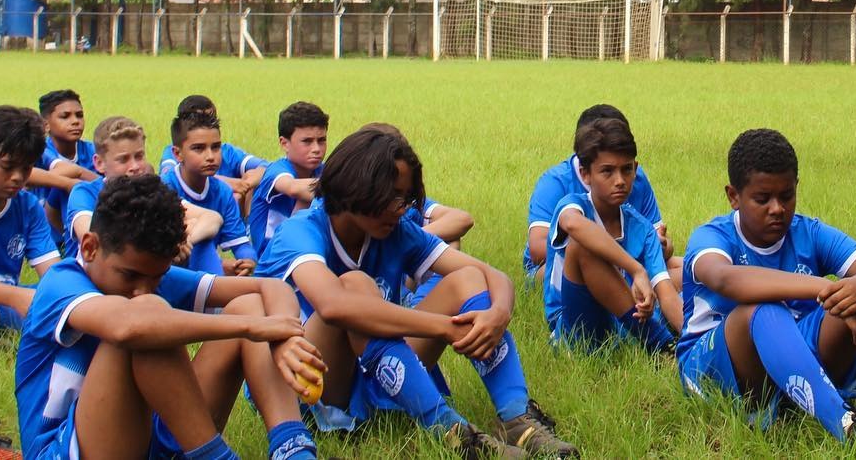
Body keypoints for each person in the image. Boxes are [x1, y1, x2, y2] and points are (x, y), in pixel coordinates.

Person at [256, 123, 577, 458]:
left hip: (377, 368)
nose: (403, 208)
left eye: (406, 198)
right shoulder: (301, 231)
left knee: (466, 279)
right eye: (393, 197)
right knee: (355, 286)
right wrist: (444, 327)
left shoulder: (396, 229)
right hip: (309, 388)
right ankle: (452, 432)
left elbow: (492, 275)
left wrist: (498, 313)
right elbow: (335, 306)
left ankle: (517, 418)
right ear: (356, 186)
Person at [14, 173, 326, 460]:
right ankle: (213, 455)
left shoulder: (148, 279)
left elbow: (268, 286)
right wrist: (253, 327)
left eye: (156, 277)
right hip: (65, 450)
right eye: (130, 275)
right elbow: (127, 326)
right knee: (149, 317)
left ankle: (292, 447)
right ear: (90, 247)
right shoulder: (60, 283)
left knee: (249, 304)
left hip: (148, 438)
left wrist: (284, 338)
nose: (142, 289)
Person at [678, 128, 856, 454]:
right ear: (733, 196)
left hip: (792, 356)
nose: (777, 208)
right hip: (720, 368)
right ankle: (850, 427)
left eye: (787, 195)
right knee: (763, 311)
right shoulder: (712, 237)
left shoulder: (809, 232)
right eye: (762, 199)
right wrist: (826, 286)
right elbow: (725, 279)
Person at [542, 116, 679, 351]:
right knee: (583, 245)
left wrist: (690, 341)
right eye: (607, 171)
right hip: (576, 326)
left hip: (623, 326)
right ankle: (660, 344)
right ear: (585, 174)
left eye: (626, 170)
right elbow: (574, 225)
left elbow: (665, 290)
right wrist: (636, 270)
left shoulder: (642, 227)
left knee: (689, 279)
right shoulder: (572, 206)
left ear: (636, 169)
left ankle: (675, 347)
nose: (620, 181)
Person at [524, 104, 676, 284]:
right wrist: (623, 254)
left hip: (629, 264)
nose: (620, 180)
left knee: (684, 268)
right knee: (587, 257)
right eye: (607, 170)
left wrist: (661, 245)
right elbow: (538, 250)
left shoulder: (635, 178)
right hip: (562, 267)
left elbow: (660, 241)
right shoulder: (555, 183)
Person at [65, 116, 223, 264]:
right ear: (99, 163)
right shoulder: (85, 193)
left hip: (144, 272)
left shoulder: (152, 191)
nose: (134, 167)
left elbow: (212, 218)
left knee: (198, 234)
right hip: (96, 280)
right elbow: (95, 239)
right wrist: (167, 239)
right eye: (123, 159)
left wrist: (185, 240)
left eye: (139, 156)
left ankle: (213, 290)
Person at [0, 105, 59, 334]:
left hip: (9, 300)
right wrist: (15, 296)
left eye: (26, 168)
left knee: (69, 298)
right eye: (7, 166)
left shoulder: (27, 206)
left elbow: (51, 270)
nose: (17, 177)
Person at [162, 110, 257, 276]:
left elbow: (241, 244)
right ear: (177, 153)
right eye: (199, 148)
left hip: (205, 274)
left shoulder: (223, 193)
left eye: (215, 147)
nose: (210, 156)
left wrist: (247, 260)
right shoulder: (164, 188)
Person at [160, 96, 269, 216]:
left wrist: (246, 184)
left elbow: (266, 167)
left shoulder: (227, 152)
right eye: (197, 120)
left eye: (210, 119)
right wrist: (227, 183)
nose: (205, 123)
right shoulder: (172, 154)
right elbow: (165, 181)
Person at [248, 101, 329, 257]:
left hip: (306, 249)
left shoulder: (323, 171)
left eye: (321, 140)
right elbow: (293, 188)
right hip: (273, 256)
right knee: (307, 196)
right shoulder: (276, 170)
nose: (317, 149)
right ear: (284, 143)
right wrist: (346, 184)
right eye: (307, 141)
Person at [26, 89, 99, 240]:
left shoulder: (94, 152)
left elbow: (109, 185)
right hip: (43, 229)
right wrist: (73, 178)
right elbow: (22, 176)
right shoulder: (38, 151)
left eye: (79, 115)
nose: (75, 121)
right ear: (46, 125)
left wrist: (79, 174)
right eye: (65, 116)